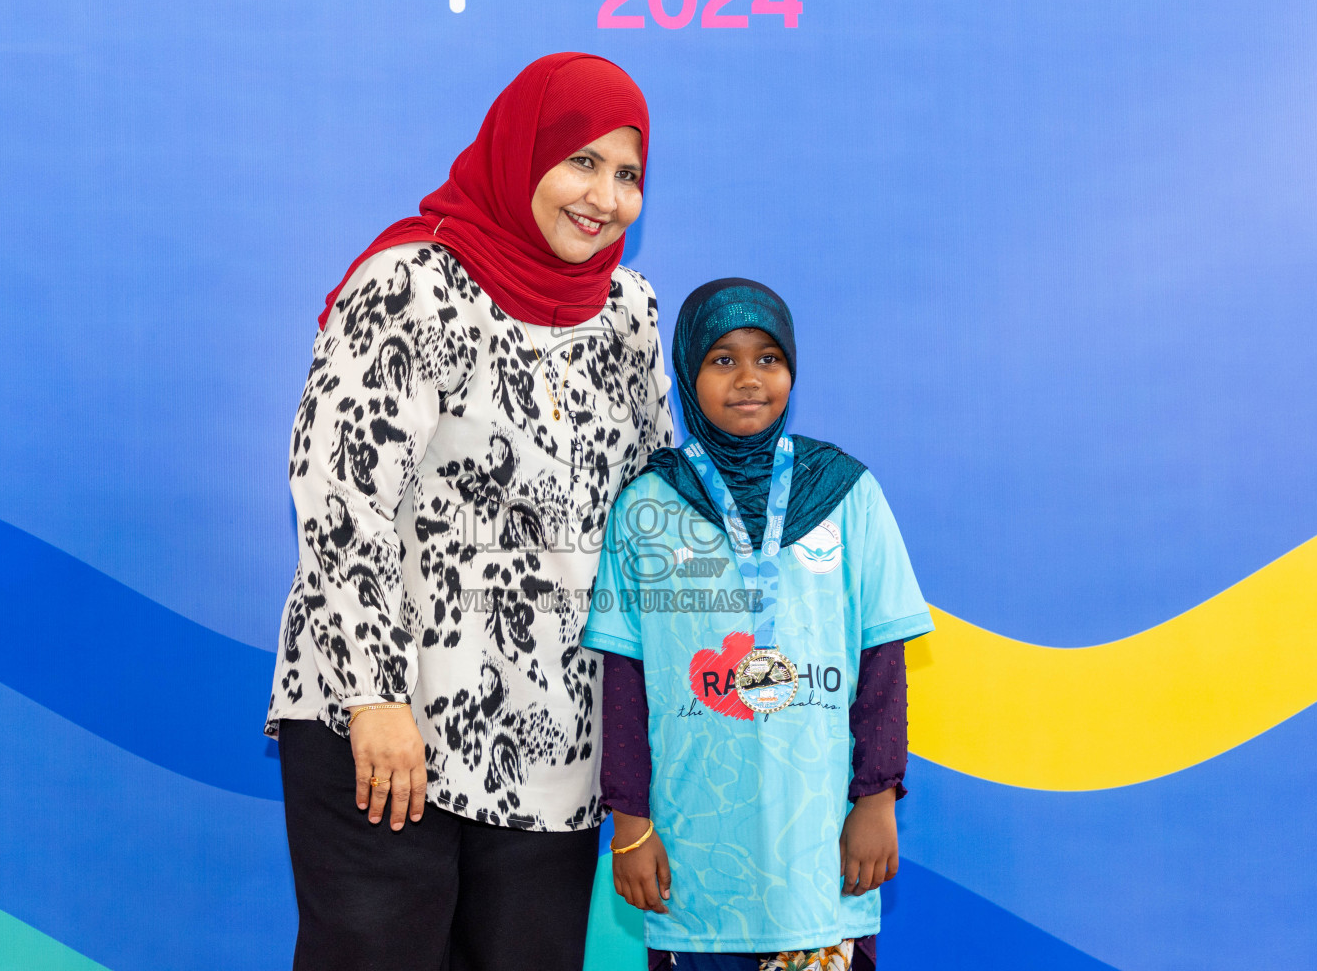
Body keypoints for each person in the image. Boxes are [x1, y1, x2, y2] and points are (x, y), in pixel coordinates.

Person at [265, 52, 674, 971]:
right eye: (580, 161)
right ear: (521, 152)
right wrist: (374, 696)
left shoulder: (630, 312)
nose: (603, 197)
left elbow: (648, 517)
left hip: (554, 739)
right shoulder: (412, 285)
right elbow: (340, 498)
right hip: (389, 725)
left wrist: (647, 737)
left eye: (628, 174)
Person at [582, 278, 934, 971]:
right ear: (687, 371)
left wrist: (877, 798)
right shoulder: (648, 504)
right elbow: (625, 679)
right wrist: (629, 822)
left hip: (821, 852)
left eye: (768, 358)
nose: (749, 379)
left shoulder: (848, 493)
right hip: (689, 852)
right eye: (722, 359)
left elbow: (881, 663)